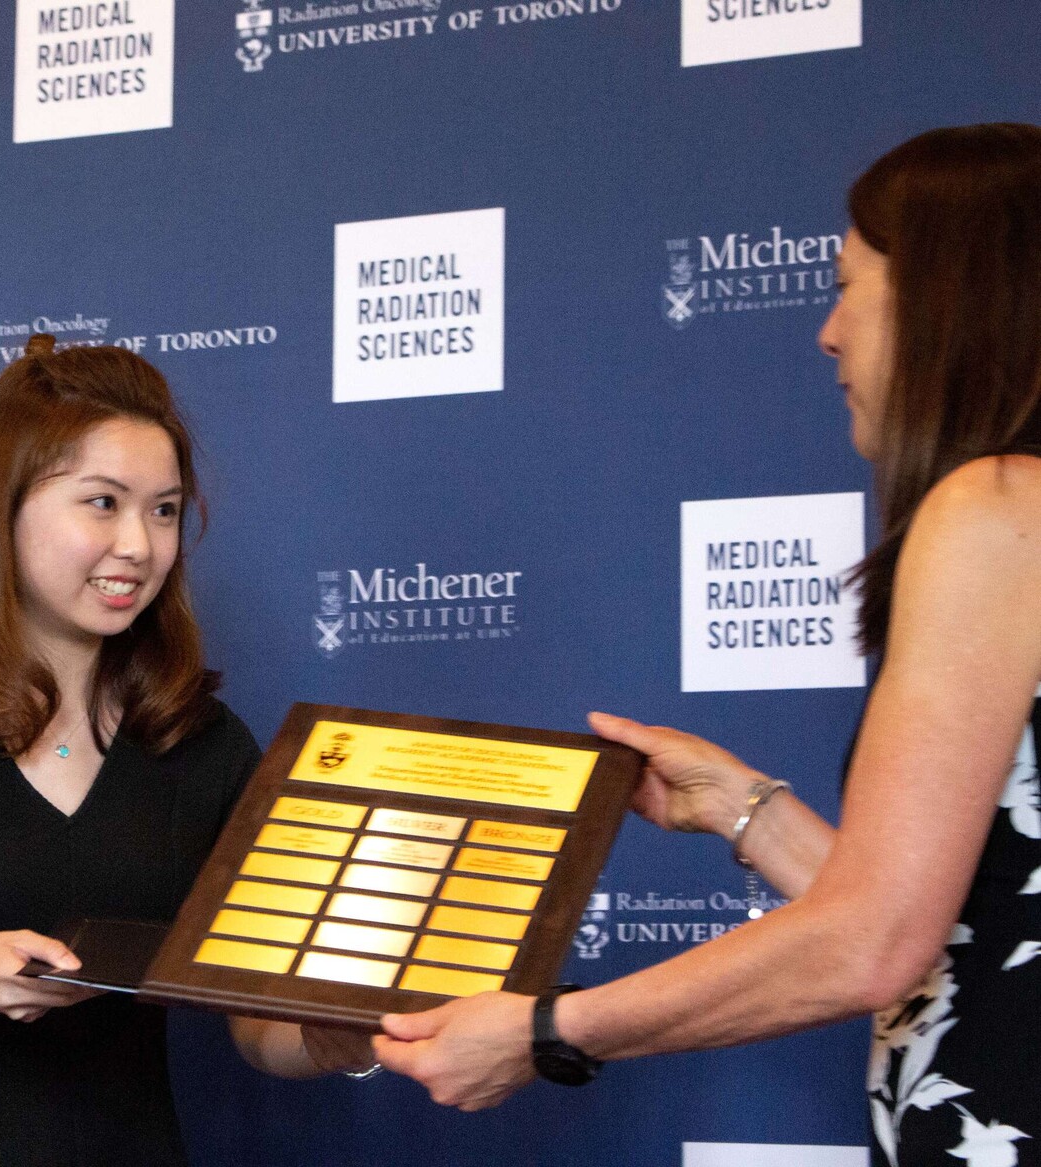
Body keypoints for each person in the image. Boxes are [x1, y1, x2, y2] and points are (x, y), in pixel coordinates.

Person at [374, 123, 1041, 1165]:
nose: (826, 333)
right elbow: (961, 922)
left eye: (848, 284)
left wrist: (545, 1030)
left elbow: (877, 944)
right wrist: (740, 808)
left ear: (947, 297)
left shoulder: (997, 506)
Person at [0, 336, 372, 1167]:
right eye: (103, 502)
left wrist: (335, 1040)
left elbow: (260, 1025)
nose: (139, 544)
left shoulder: (206, 745)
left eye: (164, 509)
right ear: (5, 506)